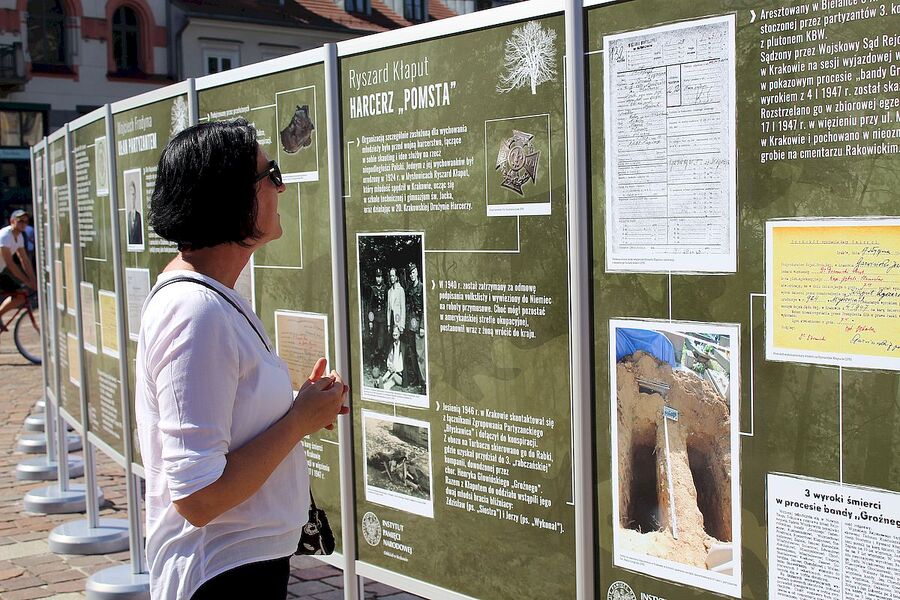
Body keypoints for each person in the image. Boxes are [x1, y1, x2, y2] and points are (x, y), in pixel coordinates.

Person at [135, 119, 349, 600]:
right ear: (230, 196)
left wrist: (305, 406)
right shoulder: (195, 312)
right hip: (221, 574)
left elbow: (224, 414)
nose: (282, 185)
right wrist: (297, 422)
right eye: (270, 174)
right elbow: (198, 497)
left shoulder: (209, 296)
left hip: (239, 564)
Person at [0, 210, 37, 325]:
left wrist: (33, 280)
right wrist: (27, 281)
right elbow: (10, 264)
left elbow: (24, 260)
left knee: (20, 296)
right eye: (20, 221)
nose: (24, 224)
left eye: (26, 221)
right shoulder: (5, 236)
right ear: (12, 221)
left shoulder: (19, 236)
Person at [404, 262, 425, 389]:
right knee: (412, 353)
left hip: (419, 323)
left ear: (417, 272)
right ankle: (416, 379)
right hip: (411, 324)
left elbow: (424, 308)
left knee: (420, 353)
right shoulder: (410, 288)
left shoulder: (422, 287)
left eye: (413, 272)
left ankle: (423, 381)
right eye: (410, 273)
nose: (412, 275)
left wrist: (422, 326)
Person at [365, 267, 388, 366]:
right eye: (377, 277)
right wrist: (370, 321)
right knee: (374, 338)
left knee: (381, 339)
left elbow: (387, 303)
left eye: (380, 277)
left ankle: (379, 357)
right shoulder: (372, 289)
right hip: (374, 318)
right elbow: (370, 306)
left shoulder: (385, 288)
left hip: (382, 318)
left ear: (382, 278)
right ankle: (375, 361)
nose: (378, 279)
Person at [375, 326, 404, 390]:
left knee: (393, 375)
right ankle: (384, 386)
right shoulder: (392, 345)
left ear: (399, 334)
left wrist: (395, 369)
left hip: (400, 376)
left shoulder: (402, 347)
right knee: (391, 381)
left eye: (396, 332)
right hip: (393, 373)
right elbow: (390, 358)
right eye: (393, 332)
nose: (394, 334)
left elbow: (401, 364)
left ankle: (382, 381)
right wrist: (390, 365)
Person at [385, 266, 405, 336]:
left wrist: (402, 325)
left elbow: (403, 308)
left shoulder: (401, 290)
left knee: (398, 338)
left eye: (393, 276)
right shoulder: (389, 291)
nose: (392, 278)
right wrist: (388, 324)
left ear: (397, 277)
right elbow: (388, 309)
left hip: (398, 319)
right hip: (391, 319)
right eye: (390, 276)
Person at [127, 179, 143, 246]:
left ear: (135, 196)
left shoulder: (138, 216)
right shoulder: (128, 216)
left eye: (133, 194)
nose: (132, 197)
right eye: (130, 194)